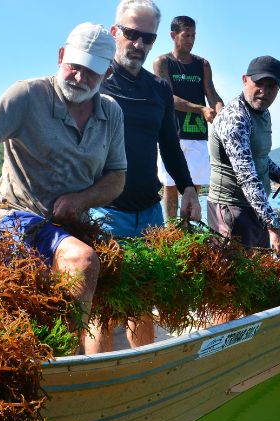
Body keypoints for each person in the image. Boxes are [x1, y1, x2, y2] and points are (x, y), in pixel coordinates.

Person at [0, 23, 127, 354]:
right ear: (61, 56)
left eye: (90, 73)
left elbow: (116, 177)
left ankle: (73, 353)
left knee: (117, 274)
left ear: (107, 73)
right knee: (83, 260)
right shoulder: (28, 94)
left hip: (69, 223)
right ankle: (64, 355)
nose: (78, 77)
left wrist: (82, 199)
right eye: (73, 66)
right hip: (17, 216)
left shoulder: (111, 113)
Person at [93, 0, 201, 349]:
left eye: (147, 38)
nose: (138, 44)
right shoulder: (96, 83)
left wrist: (187, 189)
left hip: (151, 213)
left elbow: (170, 145)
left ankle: (144, 374)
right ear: (114, 33)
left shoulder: (159, 89)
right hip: (104, 213)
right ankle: (97, 384)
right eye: (130, 34)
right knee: (103, 311)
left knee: (142, 304)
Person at [207, 55, 280, 259]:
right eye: (259, 83)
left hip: (254, 209)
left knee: (258, 276)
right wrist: (275, 229)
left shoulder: (262, 113)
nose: (263, 92)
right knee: (235, 279)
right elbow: (247, 176)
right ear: (244, 80)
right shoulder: (236, 118)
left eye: (271, 87)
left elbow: (258, 157)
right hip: (231, 211)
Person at [153, 15, 224, 220]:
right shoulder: (163, 62)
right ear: (173, 35)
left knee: (193, 187)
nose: (190, 40)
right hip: (171, 134)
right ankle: (172, 231)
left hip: (197, 135)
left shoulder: (202, 64)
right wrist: (200, 108)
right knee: (170, 185)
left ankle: (188, 231)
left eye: (193, 35)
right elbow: (168, 97)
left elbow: (211, 93)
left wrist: (222, 112)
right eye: (186, 35)